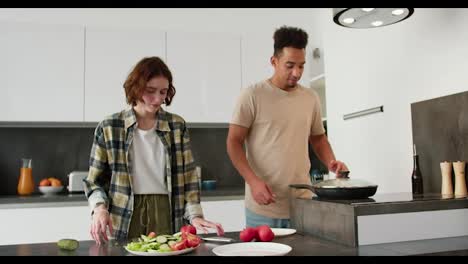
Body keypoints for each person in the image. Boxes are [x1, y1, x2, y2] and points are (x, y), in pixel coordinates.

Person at [84, 56, 224, 244]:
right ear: (136, 87)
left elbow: (189, 178)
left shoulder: (176, 126)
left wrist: (195, 216)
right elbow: (94, 181)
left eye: (163, 92)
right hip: (123, 212)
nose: (158, 99)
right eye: (151, 91)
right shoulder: (109, 127)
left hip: (166, 210)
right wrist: (100, 209)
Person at [227, 26, 348, 228]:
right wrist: (253, 182)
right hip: (263, 207)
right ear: (274, 61)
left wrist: (331, 162)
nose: (297, 73)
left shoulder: (310, 98)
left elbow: (318, 138)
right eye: (290, 65)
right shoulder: (252, 95)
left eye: (301, 66)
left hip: (303, 204)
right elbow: (233, 142)